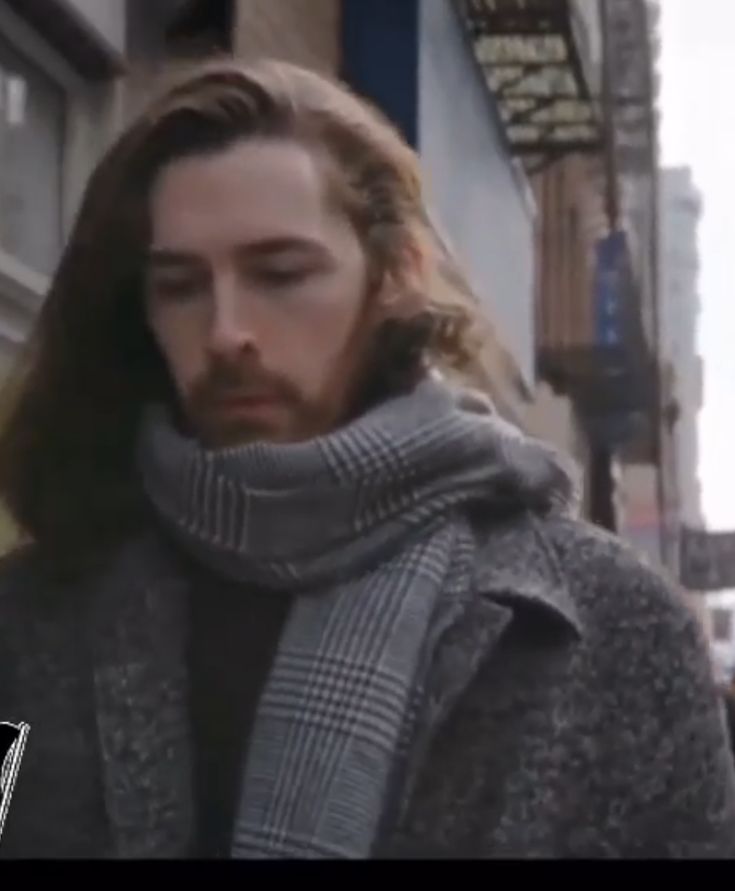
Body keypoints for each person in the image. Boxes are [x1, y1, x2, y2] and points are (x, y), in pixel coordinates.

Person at [0, 58, 733, 861]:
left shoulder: (605, 625)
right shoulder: (41, 607)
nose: (225, 331)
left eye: (280, 274)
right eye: (179, 286)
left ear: (395, 275)